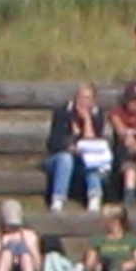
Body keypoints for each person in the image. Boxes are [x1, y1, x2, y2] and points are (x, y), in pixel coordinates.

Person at [43, 82, 111, 212]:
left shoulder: (97, 115)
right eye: (81, 97)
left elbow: (93, 142)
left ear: (93, 101)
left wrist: (87, 120)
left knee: (92, 160)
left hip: (82, 160)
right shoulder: (63, 112)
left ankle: (94, 196)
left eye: (87, 98)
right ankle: (58, 199)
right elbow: (53, 142)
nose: (83, 102)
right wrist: (69, 146)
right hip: (59, 158)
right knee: (65, 158)